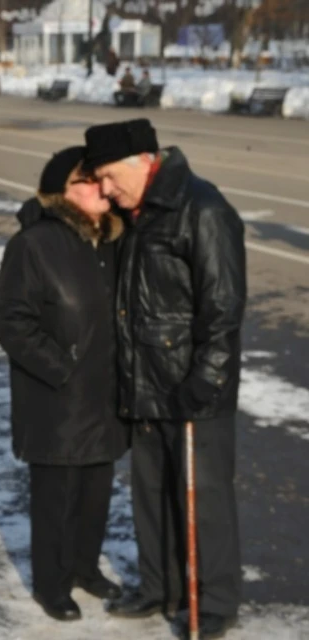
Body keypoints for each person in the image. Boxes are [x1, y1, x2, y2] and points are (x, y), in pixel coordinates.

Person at [84, 119, 246, 640]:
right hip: (146, 381)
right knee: (151, 496)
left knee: (205, 500)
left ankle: (215, 601)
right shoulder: (138, 214)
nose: (105, 191)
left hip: (195, 387)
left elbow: (222, 310)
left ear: (141, 160)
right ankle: (160, 587)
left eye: (107, 177)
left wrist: (208, 378)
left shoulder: (201, 209)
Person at [0, 146, 128, 623]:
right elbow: (12, 321)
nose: (102, 188)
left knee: (96, 495)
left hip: (105, 399)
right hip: (57, 402)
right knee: (56, 502)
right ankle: (52, 585)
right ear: (63, 192)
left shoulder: (110, 242)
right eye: (89, 180)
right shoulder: (34, 245)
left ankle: (86, 569)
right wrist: (62, 367)